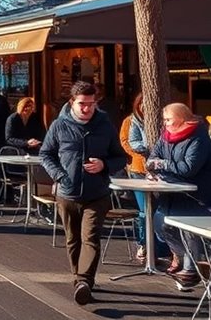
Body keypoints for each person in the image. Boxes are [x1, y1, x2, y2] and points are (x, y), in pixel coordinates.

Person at [39, 81, 127, 306]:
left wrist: (104, 165)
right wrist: (58, 175)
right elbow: (46, 154)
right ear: (72, 103)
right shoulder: (59, 125)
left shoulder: (105, 125)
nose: (87, 109)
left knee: (91, 238)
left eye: (91, 104)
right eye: (82, 104)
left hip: (97, 193)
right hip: (67, 193)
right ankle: (79, 280)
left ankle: (85, 281)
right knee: (72, 239)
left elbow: (120, 157)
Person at [149, 103, 211, 289]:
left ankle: (191, 271)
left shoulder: (199, 138)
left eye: (169, 119)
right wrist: (154, 168)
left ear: (181, 119)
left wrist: (161, 165)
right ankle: (186, 258)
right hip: (169, 194)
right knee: (161, 224)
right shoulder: (165, 137)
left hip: (195, 196)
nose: (165, 123)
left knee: (188, 231)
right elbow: (152, 158)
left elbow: (188, 168)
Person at [120, 93, 151, 262]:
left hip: (156, 172)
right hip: (138, 169)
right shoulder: (130, 121)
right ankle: (142, 242)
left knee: (156, 210)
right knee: (143, 210)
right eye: (142, 104)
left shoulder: (158, 119)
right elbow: (125, 141)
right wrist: (138, 155)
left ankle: (157, 245)